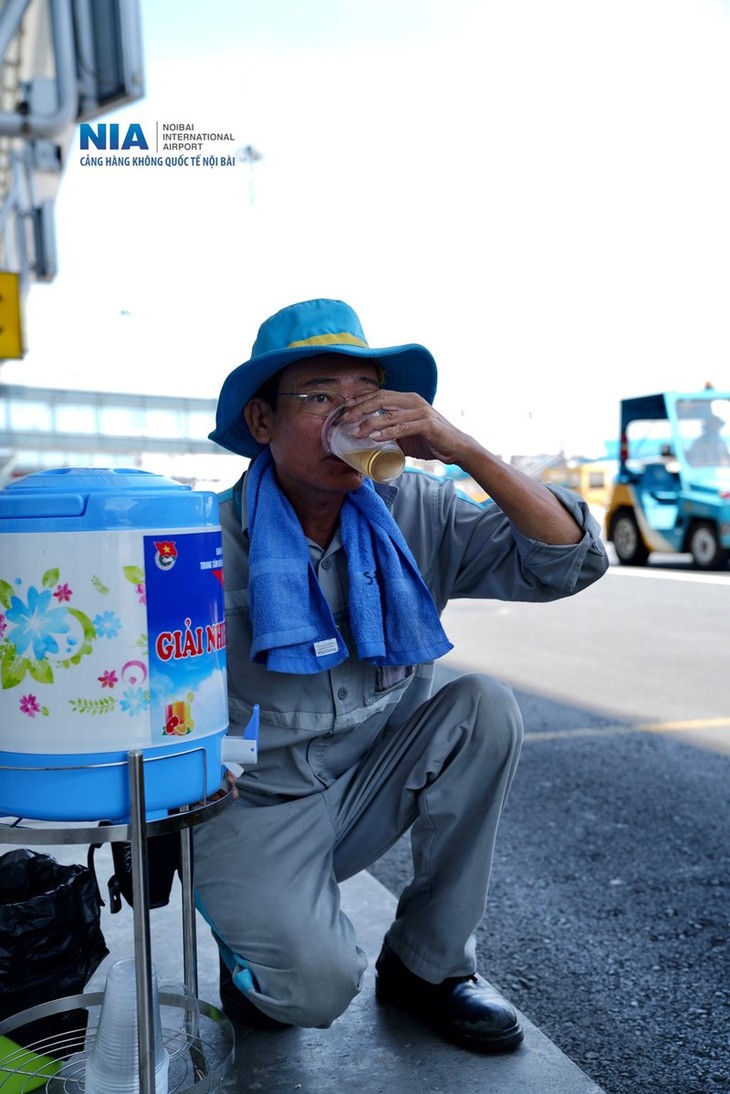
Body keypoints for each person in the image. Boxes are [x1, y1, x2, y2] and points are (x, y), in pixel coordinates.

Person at [193, 298, 609, 1054]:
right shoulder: (202, 541)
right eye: (320, 396)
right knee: (307, 996)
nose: (348, 418)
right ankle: (254, 951)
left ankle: (429, 967)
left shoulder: (413, 508)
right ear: (261, 422)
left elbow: (566, 562)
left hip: (365, 779)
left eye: (366, 398)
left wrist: (465, 449)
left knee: (483, 707)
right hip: (251, 802)